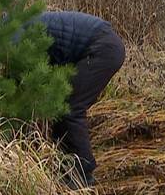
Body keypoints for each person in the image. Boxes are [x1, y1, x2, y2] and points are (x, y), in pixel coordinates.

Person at [24, 11, 125, 188]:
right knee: (61, 106)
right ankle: (65, 166)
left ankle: (81, 175)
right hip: (103, 44)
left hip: (102, 48)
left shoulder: (18, 36)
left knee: (69, 107)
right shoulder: (22, 28)